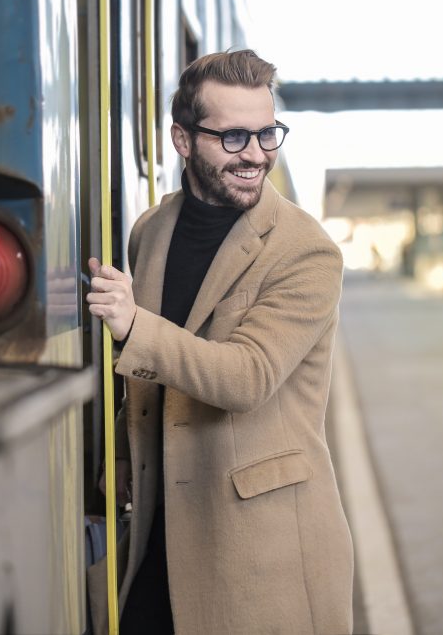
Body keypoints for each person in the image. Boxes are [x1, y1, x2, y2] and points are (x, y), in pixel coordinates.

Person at [86, 49, 352, 634]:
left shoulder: (307, 252)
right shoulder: (151, 231)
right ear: (183, 140)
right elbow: (154, 374)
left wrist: (133, 325)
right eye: (234, 137)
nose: (257, 155)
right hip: (161, 530)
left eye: (266, 133)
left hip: (260, 551)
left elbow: (246, 377)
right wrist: (126, 451)